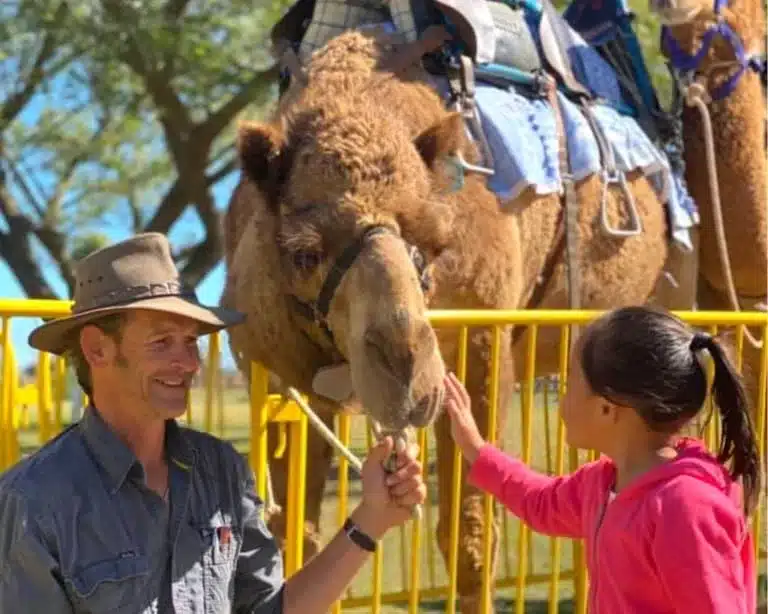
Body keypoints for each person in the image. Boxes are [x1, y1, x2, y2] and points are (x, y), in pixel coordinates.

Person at [0, 232, 427, 613]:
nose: (188, 363)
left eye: (191, 342)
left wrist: (372, 518)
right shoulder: (33, 502)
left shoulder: (221, 470)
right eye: (162, 342)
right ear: (96, 349)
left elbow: (269, 609)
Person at [443, 305, 761, 614]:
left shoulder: (686, 508)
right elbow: (539, 502)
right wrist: (475, 448)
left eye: (569, 386)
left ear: (607, 409)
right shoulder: (602, 483)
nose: (562, 401)